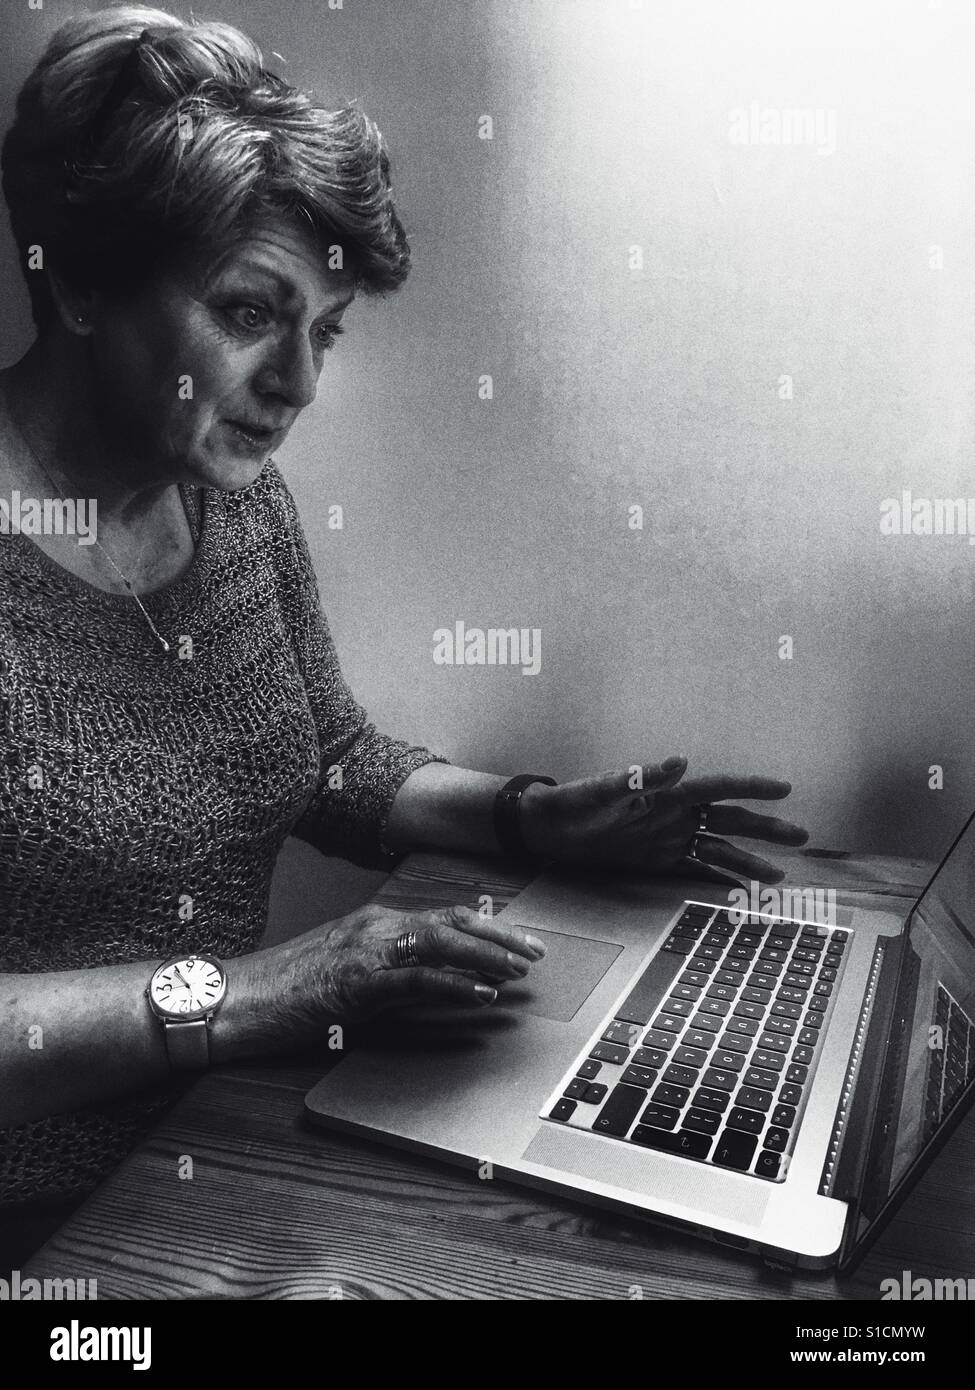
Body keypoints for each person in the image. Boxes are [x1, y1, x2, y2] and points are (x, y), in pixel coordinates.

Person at [0, 7, 808, 1223]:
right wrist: (263, 990)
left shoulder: (238, 503)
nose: (299, 387)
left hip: (234, 1131)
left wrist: (530, 817)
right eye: (247, 313)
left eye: (323, 332)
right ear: (86, 284)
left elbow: (327, 755)